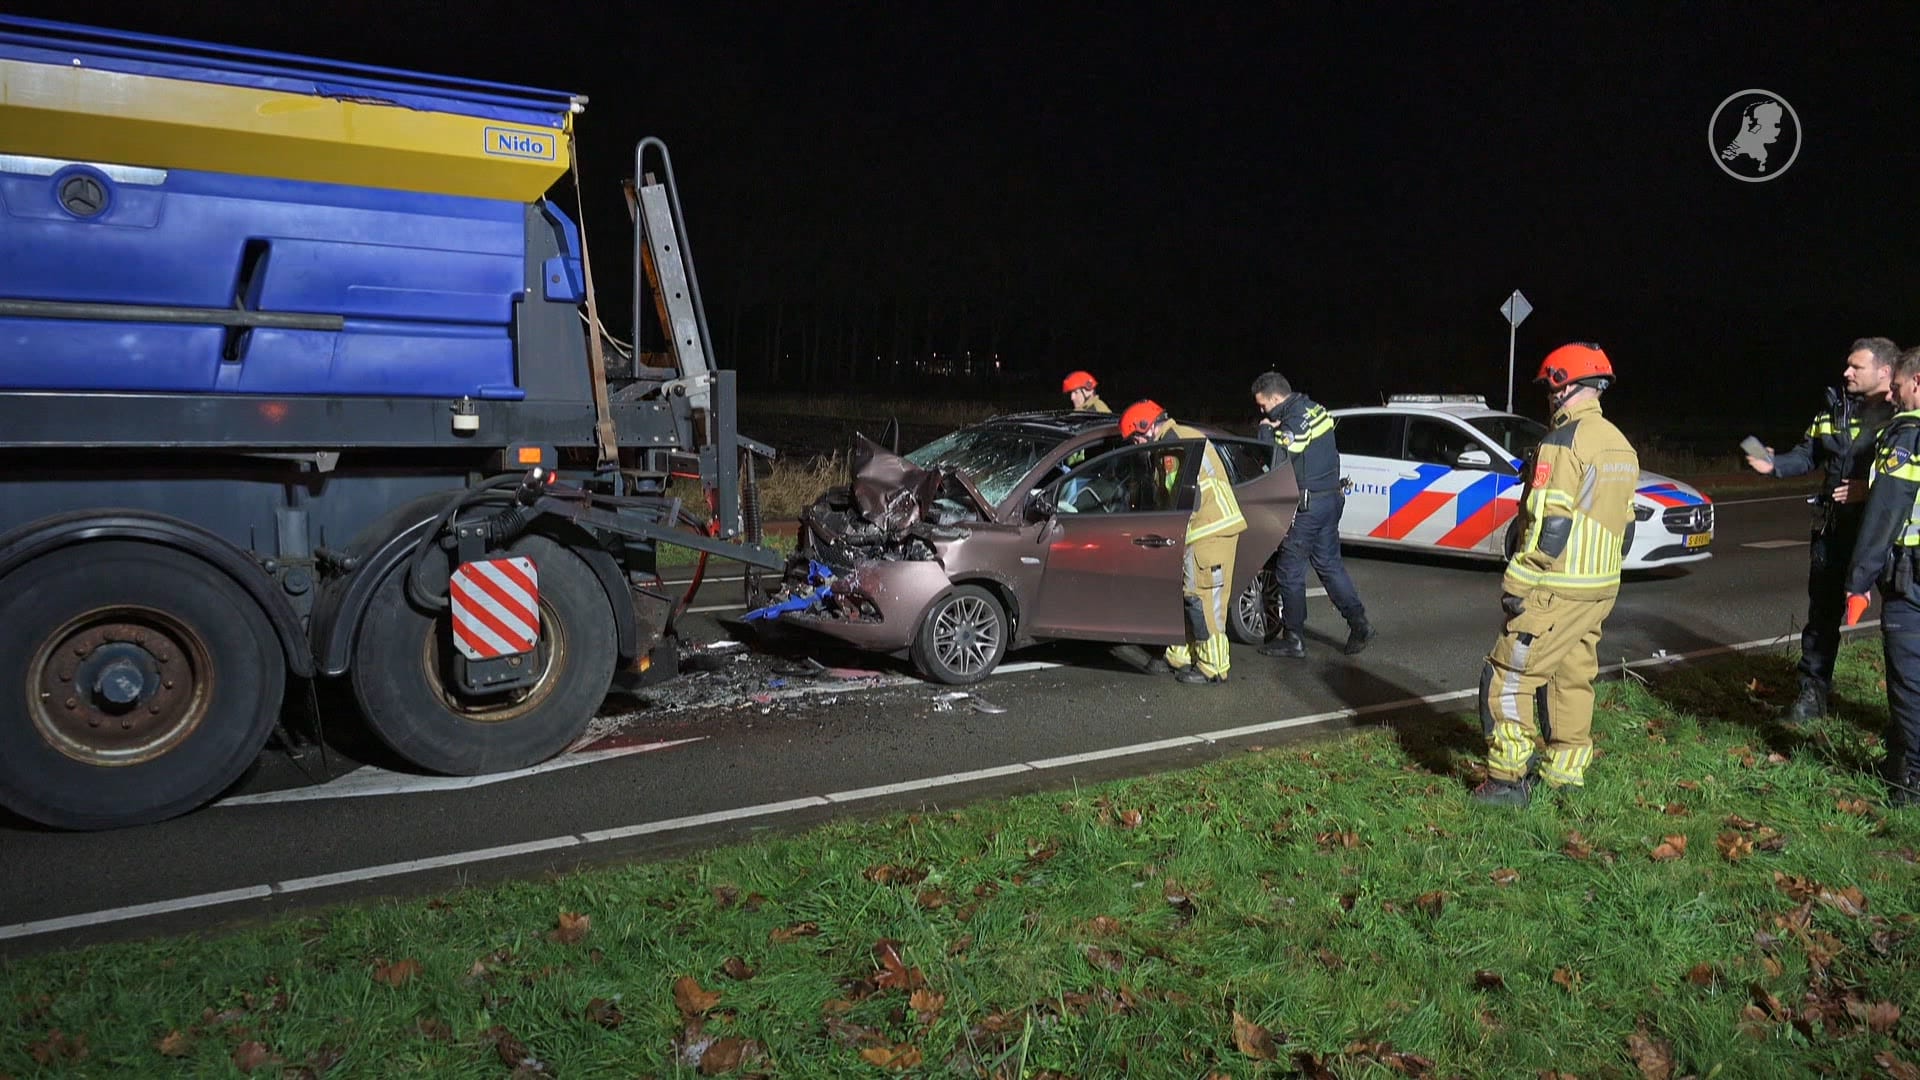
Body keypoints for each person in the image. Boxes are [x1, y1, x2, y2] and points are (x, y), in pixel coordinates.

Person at [1474, 343, 1639, 808]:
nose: (1547, 396)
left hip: (1556, 587)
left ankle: (1508, 780)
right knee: (1571, 679)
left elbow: (1550, 523)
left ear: (1564, 385)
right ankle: (1565, 775)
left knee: (1507, 677)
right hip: (1599, 587)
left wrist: (1519, 581)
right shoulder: (1620, 444)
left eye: (1550, 386)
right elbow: (1626, 524)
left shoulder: (1562, 443)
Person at [1746, 337, 1899, 722]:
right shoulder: (1836, 406)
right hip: (1834, 531)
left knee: (1901, 624)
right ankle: (1811, 699)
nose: (1846, 372)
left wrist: (1873, 490)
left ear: (1884, 371)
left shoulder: (1906, 412)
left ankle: (1902, 719)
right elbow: (1809, 453)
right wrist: (1775, 464)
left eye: (1856, 367)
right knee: (1821, 618)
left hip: (1886, 536)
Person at [1842, 346, 1920, 809]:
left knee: (1910, 680)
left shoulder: (1907, 436)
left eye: (1900, 384)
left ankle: (1910, 779)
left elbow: (1886, 513)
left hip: (1911, 580)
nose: (1893, 392)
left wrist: (1858, 581)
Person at [1122, 400, 1245, 685]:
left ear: (1148, 426)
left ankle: (1213, 665)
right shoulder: (1178, 439)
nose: (1136, 443)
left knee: (1204, 600)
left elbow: (1178, 497)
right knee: (1188, 595)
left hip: (1209, 530)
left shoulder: (1174, 447)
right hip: (1202, 529)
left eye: (1137, 436)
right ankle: (1182, 654)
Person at [1250, 372, 1372, 659]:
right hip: (1329, 499)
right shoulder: (1313, 409)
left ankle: (1293, 638)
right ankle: (1360, 624)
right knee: (1329, 565)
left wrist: (1266, 431)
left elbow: (1278, 455)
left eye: (1263, 406)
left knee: (1289, 570)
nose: (1262, 411)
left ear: (1276, 398)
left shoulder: (1295, 419)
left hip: (1310, 507)